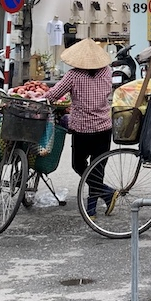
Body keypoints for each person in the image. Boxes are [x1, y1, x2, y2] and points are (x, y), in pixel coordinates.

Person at [41, 39, 115, 216]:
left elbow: (53, 95)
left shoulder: (74, 75)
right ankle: (92, 207)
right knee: (98, 167)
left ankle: (106, 192)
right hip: (104, 127)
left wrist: (41, 97)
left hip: (83, 130)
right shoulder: (107, 72)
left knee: (78, 164)